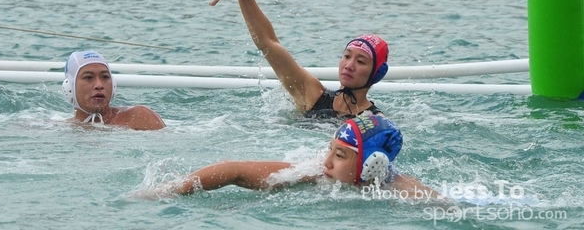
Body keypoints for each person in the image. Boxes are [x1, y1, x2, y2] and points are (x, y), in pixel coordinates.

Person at [147, 114, 442, 203]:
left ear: (372, 165)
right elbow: (234, 170)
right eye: (329, 149)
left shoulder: (408, 194)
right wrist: (167, 189)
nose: (326, 161)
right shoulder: (315, 172)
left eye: (339, 155)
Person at [208, 0, 390, 119]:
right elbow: (268, 43)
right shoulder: (312, 94)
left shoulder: (374, 121)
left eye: (360, 61)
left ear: (377, 73)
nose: (349, 65)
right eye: (347, 56)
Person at [62, 50, 166, 130]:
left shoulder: (139, 117)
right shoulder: (61, 128)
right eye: (88, 77)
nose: (99, 85)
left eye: (105, 77)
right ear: (69, 87)